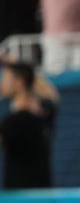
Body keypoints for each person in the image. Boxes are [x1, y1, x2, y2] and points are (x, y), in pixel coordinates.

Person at [0, 60, 59, 189]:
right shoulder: (45, 111)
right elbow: (51, 94)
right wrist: (21, 67)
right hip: (43, 192)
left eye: (5, 78)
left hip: (21, 197)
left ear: (19, 82)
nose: (1, 83)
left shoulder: (14, 122)